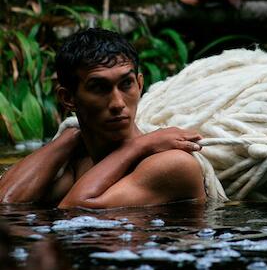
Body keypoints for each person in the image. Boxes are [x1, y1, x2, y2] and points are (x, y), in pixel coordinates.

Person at [0, 28, 206, 208]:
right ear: (68, 98)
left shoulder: (173, 163)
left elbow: (75, 211)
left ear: (140, 85)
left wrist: (137, 146)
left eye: (126, 84)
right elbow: (6, 203)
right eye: (99, 87)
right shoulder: (79, 161)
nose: (117, 103)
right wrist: (69, 138)